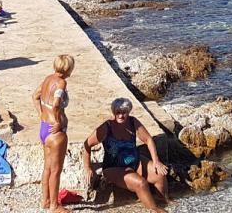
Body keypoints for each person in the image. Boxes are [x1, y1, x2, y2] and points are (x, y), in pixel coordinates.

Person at [82, 98, 168, 211]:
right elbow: (86, 145)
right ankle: (154, 209)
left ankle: (164, 201)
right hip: (114, 167)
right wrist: (87, 167)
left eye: (124, 113)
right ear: (113, 112)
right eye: (118, 112)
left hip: (135, 161)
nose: (121, 116)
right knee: (141, 183)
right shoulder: (106, 127)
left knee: (160, 175)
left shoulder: (133, 122)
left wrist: (156, 161)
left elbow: (148, 139)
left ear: (128, 112)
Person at [33, 55, 75, 211]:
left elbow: (35, 96)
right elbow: (57, 104)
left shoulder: (47, 79)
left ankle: (45, 201)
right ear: (69, 68)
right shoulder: (61, 83)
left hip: (44, 127)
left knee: (47, 168)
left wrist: (41, 113)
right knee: (56, 170)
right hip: (55, 132)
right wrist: (58, 121)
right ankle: (54, 205)